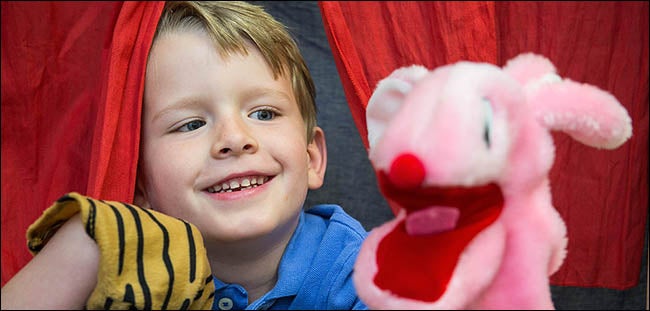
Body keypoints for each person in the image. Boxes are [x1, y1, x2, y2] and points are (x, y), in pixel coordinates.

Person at [0, 1, 368, 310]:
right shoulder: (121, 254)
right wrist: (82, 246)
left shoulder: (365, 273)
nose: (235, 139)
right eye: (190, 124)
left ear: (312, 159)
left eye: (263, 114)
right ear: (138, 180)